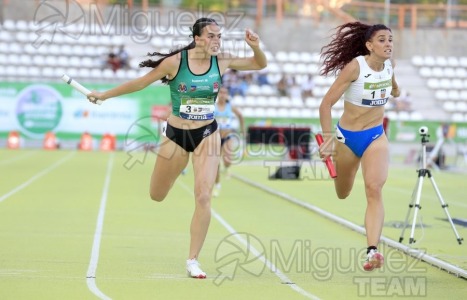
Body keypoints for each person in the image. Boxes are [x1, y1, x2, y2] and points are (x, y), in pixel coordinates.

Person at [87, 17, 267, 279]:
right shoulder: (175, 62)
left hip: (208, 133)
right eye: (211, 36)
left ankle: (193, 260)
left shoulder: (223, 60)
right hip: (175, 135)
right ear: (197, 39)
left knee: (203, 196)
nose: (217, 40)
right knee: (157, 194)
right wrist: (103, 95)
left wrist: (256, 47)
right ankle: (174, 171)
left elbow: (259, 64)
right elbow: (140, 82)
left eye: (219, 36)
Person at [318, 22, 400, 271]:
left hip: (376, 136)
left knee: (374, 189)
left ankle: (372, 251)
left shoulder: (389, 65)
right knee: (342, 192)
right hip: (347, 139)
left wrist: (395, 89)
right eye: (382, 40)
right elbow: (325, 105)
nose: (388, 44)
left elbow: (394, 87)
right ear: (369, 45)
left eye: (390, 40)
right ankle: (336, 170)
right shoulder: (355, 67)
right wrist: (329, 138)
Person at [212, 86, 245, 197]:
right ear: (217, 94)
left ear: (227, 95)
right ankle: (217, 185)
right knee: (215, 164)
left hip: (228, 136)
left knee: (227, 160)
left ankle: (227, 167)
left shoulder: (230, 107)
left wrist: (242, 130)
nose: (222, 94)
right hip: (215, 138)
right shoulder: (213, 107)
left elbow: (240, 115)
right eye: (220, 92)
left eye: (225, 93)